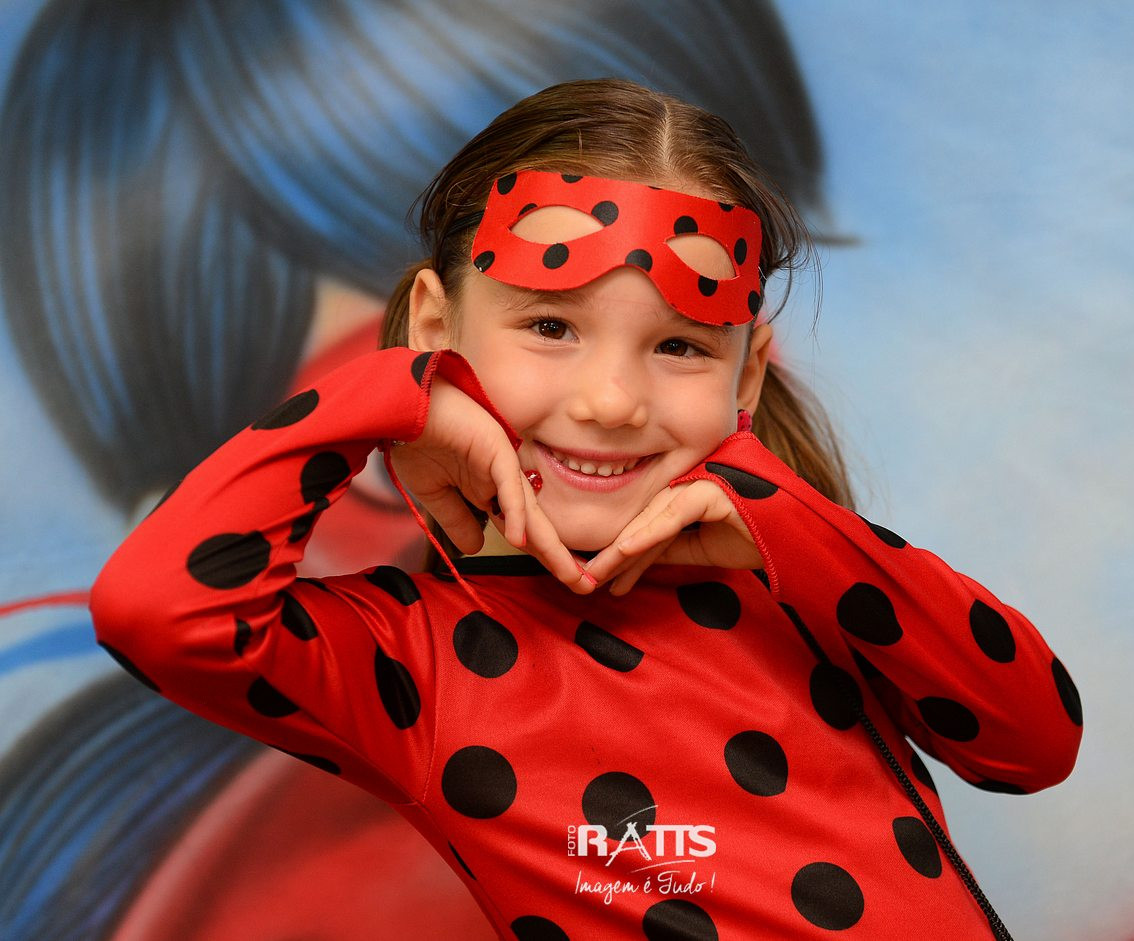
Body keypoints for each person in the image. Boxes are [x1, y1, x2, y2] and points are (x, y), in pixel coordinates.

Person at [91, 79, 1082, 939]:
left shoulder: (814, 582)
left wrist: (791, 524)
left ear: (745, 378)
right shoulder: (418, 663)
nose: (611, 401)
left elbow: (1033, 743)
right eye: (550, 325)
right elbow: (157, 610)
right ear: (437, 327)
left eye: (681, 345)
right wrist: (390, 396)